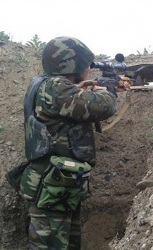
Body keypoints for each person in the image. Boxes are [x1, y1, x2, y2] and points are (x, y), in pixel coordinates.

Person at [20, 36, 121, 249]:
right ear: (72, 65)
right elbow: (105, 107)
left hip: (59, 184)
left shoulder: (43, 83)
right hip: (51, 186)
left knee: (67, 244)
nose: (87, 69)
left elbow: (70, 101)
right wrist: (107, 89)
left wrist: (87, 86)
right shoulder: (57, 89)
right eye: (85, 65)